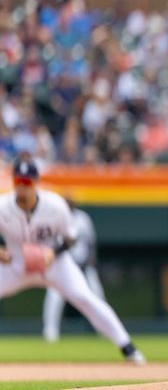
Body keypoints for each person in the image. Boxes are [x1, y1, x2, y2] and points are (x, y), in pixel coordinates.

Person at [0, 155, 145, 365]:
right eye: (18, 181)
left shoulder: (55, 205)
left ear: (35, 182)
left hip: (54, 264)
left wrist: (54, 252)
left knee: (86, 297)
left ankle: (128, 347)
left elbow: (71, 237)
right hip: (17, 265)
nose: (22, 186)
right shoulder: (3, 206)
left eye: (26, 181)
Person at [42, 197, 105, 343]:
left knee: (97, 296)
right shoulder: (56, 218)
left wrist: (91, 261)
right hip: (63, 264)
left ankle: (103, 330)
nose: (68, 205)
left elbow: (91, 242)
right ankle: (50, 331)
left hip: (84, 264)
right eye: (66, 202)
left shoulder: (83, 218)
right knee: (54, 298)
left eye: (70, 203)